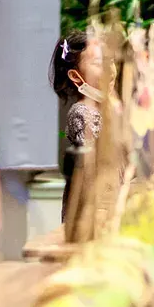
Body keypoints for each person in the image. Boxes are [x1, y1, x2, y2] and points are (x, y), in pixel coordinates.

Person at [49, 31, 104, 221]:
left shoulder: (109, 110)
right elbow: (97, 168)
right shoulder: (81, 113)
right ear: (75, 75)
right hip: (89, 214)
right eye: (98, 64)